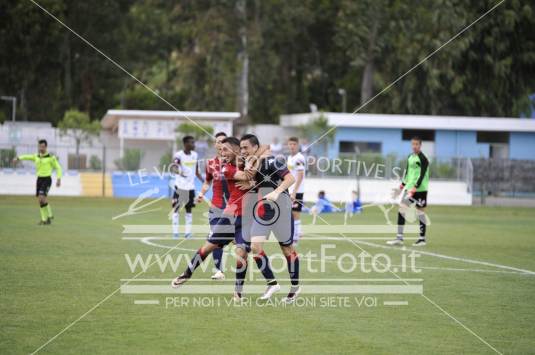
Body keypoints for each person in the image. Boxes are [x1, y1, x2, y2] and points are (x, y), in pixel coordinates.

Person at [172, 137, 269, 301]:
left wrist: (255, 164)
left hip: (246, 218)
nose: (221, 153)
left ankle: (237, 293)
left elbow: (266, 155)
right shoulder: (226, 168)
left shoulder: (245, 159)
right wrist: (255, 168)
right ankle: (186, 273)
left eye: (225, 150)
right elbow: (247, 176)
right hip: (229, 216)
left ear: (236, 150)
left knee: (241, 253)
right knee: (207, 247)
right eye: (220, 150)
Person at [240, 134, 301, 303]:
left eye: (246, 147)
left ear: (255, 148)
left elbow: (290, 178)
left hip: (281, 209)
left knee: (287, 249)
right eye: (241, 148)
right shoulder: (250, 165)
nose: (243, 151)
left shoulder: (273, 161)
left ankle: (295, 288)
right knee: (255, 246)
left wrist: (276, 192)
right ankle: (272, 283)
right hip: (264, 211)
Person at [197, 132, 228, 280]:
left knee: (241, 242)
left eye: (223, 141)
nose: (221, 144)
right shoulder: (210, 163)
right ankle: (219, 270)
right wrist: (202, 193)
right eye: (218, 142)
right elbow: (207, 181)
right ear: (215, 145)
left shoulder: (236, 163)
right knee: (215, 236)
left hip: (233, 208)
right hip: (216, 206)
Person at [387, 136, 430, 246]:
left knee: (420, 212)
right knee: (402, 210)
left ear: (420, 145)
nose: (414, 146)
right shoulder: (410, 157)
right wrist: (400, 188)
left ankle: (422, 239)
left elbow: (422, 175)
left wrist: (415, 188)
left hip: (420, 189)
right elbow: (407, 175)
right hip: (409, 188)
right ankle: (399, 238)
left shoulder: (423, 158)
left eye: (416, 144)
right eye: (413, 144)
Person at [12, 139, 62, 225]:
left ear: (46, 147)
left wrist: (58, 179)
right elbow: (27, 157)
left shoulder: (51, 157)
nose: (41, 148)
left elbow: (58, 168)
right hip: (39, 179)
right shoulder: (36, 156)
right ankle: (45, 219)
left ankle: (49, 216)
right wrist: (18, 158)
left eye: (43, 147)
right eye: (40, 146)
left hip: (47, 179)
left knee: (42, 198)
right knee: (41, 200)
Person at [171, 135, 203, 239]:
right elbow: (174, 166)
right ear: (185, 144)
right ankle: (175, 233)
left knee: (189, 210)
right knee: (176, 209)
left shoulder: (195, 155)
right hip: (180, 187)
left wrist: (204, 180)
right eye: (191, 142)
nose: (194, 145)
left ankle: (188, 233)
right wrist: (179, 173)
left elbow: (196, 170)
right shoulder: (179, 155)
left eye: (194, 142)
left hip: (190, 188)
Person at [287, 137, 306, 244]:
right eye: (290, 144)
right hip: (290, 190)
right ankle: (297, 233)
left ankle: (295, 238)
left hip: (297, 191)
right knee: (290, 214)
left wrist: (294, 191)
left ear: (297, 145)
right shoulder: (290, 157)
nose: (292, 146)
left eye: (294, 144)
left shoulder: (299, 158)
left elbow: (300, 175)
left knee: (295, 213)